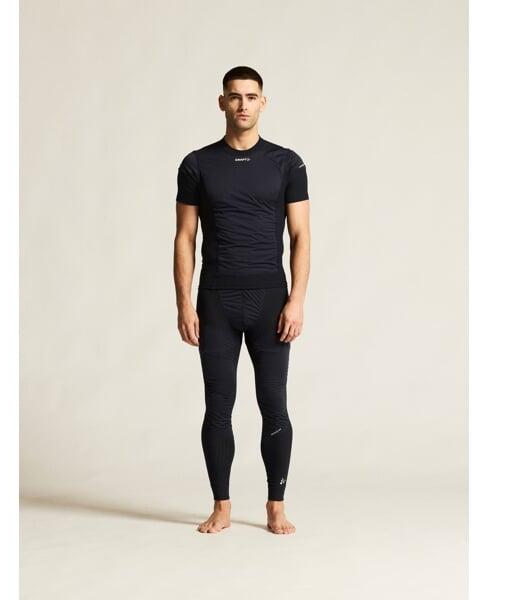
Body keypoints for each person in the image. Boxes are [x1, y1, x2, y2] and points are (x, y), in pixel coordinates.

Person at [173, 65, 310, 534]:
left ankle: (276, 506)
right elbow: (185, 237)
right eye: (234, 96)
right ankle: (222, 506)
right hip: (216, 302)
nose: (243, 105)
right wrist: (184, 303)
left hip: (271, 300)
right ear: (222, 103)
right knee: (218, 407)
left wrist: (296, 300)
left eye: (251, 97)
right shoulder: (197, 164)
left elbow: (301, 235)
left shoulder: (287, 163)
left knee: (274, 405)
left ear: (263, 103)